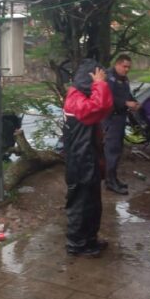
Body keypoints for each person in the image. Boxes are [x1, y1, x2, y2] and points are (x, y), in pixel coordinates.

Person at [63, 58, 113, 257]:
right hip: (79, 161)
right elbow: (99, 107)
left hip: (87, 158)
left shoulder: (80, 95)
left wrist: (98, 85)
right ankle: (76, 244)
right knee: (80, 205)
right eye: (99, 76)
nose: (103, 81)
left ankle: (90, 240)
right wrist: (99, 84)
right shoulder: (75, 99)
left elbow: (103, 106)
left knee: (92, 204)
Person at [103, 54, 139, 195]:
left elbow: (127, 94)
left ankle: (113, 178)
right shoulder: (109, 78)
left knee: (117, 150)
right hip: (110, 119)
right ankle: (110, 182)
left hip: (120, 118)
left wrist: (134, 102)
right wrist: (125, 103)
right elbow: (107, 99)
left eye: (129, 67)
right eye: (124, 66)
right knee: (111, 151)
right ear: (117, 65)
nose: (127, 69)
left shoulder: (123, 79)